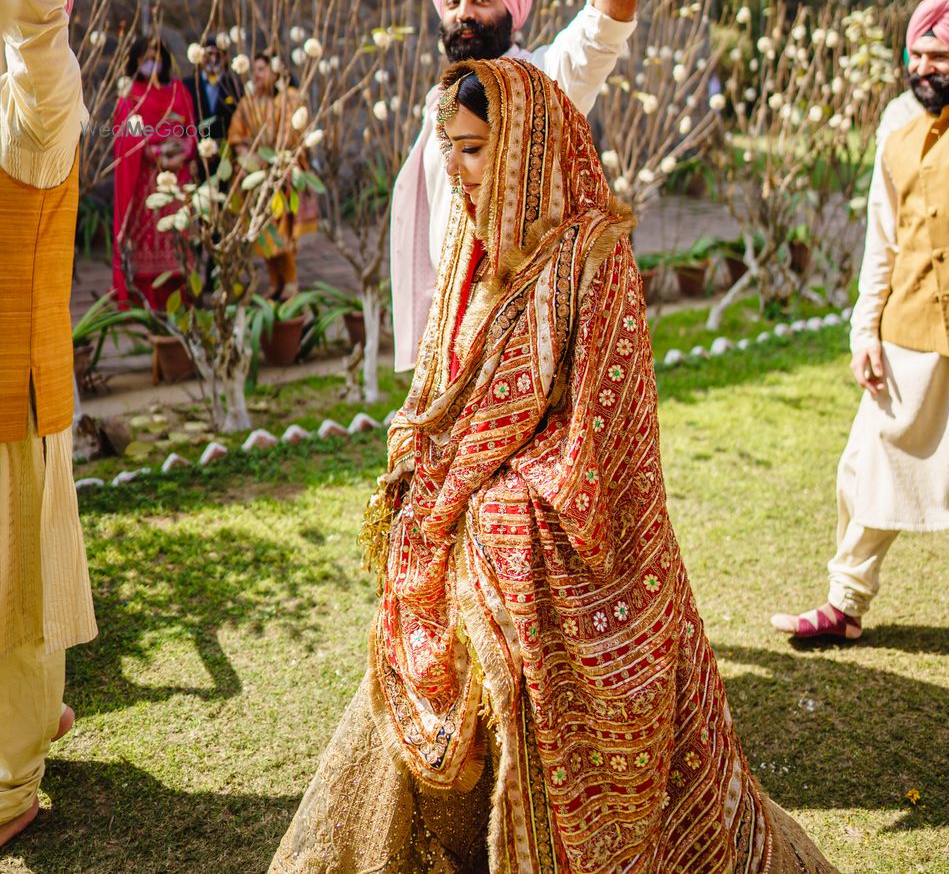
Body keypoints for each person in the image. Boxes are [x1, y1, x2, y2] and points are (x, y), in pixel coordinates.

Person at [270, 59, 836, 873]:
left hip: (580, 535)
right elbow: (443, 388)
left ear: (530, 144)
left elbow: (606, 441)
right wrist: (431, 472)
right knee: (435, 571)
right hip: (475, 510)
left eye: (476, 148)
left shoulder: (595, 259)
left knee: (495, 566)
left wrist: (482, 495)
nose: (459, 171)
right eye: (451, 149)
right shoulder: (472, 250)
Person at [772, 0, 949, 653]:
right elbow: (883, 237)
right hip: (905, 329)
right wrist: (862, 331)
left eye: (942, 56)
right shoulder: (896, 123)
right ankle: (844, 603)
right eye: (918, 55)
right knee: (868, 468)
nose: (925, 68)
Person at [390, 0, 639, 371]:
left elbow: (612, 16)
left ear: (512, 10)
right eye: (453, 2)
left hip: (525, 342)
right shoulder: (440, 104)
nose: (464, 14)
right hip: (452, 340)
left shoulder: (545, 80)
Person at [0, 0, 96, 845]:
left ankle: (12, 788)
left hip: (15, 398)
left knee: (17, 607)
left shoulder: (40, 107)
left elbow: (36, 27)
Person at [111, 35, 197, 310]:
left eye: (156, 56)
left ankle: (182, 300)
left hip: (177, 180)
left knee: (177, 240)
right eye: (146, 57)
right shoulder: (130, 97)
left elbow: (192, 130)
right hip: (147, 181)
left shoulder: (178, 92)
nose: (152, 62)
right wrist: (157, 155)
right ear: (136, 60)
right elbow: (129, 136)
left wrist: (183, 152)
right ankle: (145, 301)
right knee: (147, 241)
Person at [227, 52, 313, 299]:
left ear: (275, 73)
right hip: (257, 178)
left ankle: (291, 281)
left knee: (282, 231)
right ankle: (275, 281)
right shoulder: (248, 103)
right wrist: (248, 157)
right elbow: (237, 136)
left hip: (279, 176)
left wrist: (273, 160)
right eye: (254, 70)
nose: (257, 74)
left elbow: (292, 137)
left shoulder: (287, 101)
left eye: (262, 69)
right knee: (262, 232)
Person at [183, 41, 242, 167]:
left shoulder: (234, 87)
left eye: (218, 55)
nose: (213, 59)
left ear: (225, 58)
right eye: (209, 54)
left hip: (225, 157)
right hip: (194, 157)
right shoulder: (188, 85)